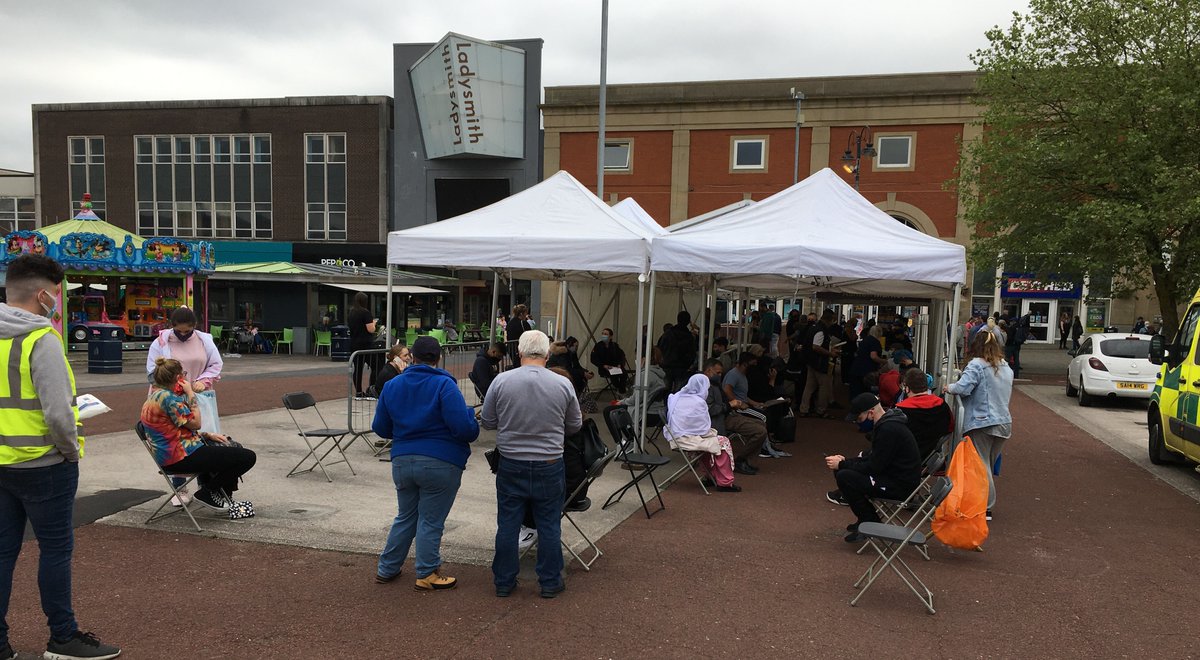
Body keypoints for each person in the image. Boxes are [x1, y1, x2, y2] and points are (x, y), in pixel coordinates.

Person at [0, 254, 121, 660]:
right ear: (42, 294)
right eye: (56, 294)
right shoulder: (41, 340)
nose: (57, 301)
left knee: (2, 553)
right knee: (55, 551)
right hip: (44, 464)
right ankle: (62, 637)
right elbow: (57, 413)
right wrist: (70, 452)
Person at [373, 336, 479, 591]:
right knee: (431, 520)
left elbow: (380, 427)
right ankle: (427, 571)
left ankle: (387, 568)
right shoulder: (444, 385)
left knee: (405, 516)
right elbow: (465, 429)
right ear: (438, 358)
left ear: (413, 357)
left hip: (402, 459)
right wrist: (470, 417)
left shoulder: (393, 385)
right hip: (440, 460)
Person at [482, 330, 582, 599]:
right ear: (548, 354)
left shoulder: (502, 380)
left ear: (519, 352)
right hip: (549, 462)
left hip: (511, 461)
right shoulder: (562, 384)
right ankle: (549, 581)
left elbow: (488, 421)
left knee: (508, 523)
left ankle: (504, 581)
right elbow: (574, 425)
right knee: (549, 524)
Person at [141, 356, 257, 510]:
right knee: (247, 457)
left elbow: (176, 430)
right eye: (184, 374)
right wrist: (190, 394)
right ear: (178, 378)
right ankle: (208, 492)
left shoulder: (154, 396)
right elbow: (196, 423)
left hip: (171, 454)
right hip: (181, 457)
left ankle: (217, 494)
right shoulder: (170, 399)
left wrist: (207, 435)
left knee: (225, 447)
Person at [146, 306, 225, 507]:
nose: (182, 334)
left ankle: (205, 486)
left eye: (187, 331)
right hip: (170, 399)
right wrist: (175, 389)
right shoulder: (161, 342)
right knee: (177, 441)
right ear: (172, 327)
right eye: (179, 331)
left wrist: (203, 381)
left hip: (198, 395)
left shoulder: (204, 340)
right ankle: (180, 487)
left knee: (204, 437)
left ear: (194, 326)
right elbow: (152, 372)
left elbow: (216, 364)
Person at [825, 393, 921, 543]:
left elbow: (874, 466)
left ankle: (870, 521)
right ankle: (866, 519)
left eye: (859, 418)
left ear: (870, 413)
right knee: (844, 473)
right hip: (897, 478)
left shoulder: (888, 429)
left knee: (845, 476)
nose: (858, 422)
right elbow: (874, 459)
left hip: (899, 485)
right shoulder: (889, 424)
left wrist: (843, 464)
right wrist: (846, 461)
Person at [945, 330, 1013, 519]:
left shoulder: (976, 365)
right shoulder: (1006, 367)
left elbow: (963, 388)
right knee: (989, 464)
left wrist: (948, 387)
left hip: (981, 422)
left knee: (981, 464)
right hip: (1004, 422)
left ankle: (986, 506)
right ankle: (982, 502)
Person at [665, 374, 741, 492]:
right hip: (688, 439)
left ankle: (709, 476)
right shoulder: (698, 402)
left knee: (711, 443)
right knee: (723, 442)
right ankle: (725, 482)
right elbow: (703, 428)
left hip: (676, 437)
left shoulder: (677, 397)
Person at [702, 359, 771, 475]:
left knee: (761, 424)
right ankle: (740, 459)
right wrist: (730, 405)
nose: (720, 376)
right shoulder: (706, 386)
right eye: (718, 373)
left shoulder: (713, 383)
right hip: (720, 419)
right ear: (709, 371)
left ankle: (746, 459)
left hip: (727, 414)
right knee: (760, 431)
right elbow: (709, 410)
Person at [896, 368, 954, 459]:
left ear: (907, 388)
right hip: (932, 457)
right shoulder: (942, 405)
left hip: (906, 458)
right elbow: (950, 428)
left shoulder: (900, 410)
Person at [798, 310, 840, 419]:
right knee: (823, 387)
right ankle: (821, 410)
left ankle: (804, 409)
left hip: (811, 361)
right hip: (819, 363)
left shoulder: (813, 327)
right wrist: (830, 353)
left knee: (809, 387)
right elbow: (816, 347)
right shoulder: (821, 330)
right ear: (829, 320)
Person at [617, 347, 667, 423]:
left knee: (610, 411)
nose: (636, 360)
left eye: (637, 357)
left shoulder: (645, 375)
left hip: (647, 412)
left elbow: (635, 399)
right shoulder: (659, 373)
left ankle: (629, 434)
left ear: (644, 359)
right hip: (659, 411)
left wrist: (622, 402)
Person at [347, 292, 378, 397]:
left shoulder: (351, 312)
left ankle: (359, 392)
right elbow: (371, 329)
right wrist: (374, 323)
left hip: (354, 343)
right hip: (366, 344)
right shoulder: (365, 313)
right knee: (376, 366)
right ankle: (372, 389)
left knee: (358, 368)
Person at [660, 311, 699, 391]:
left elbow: (660, 348)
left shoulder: (668, 334)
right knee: (679, 392)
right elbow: (693, 353)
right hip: (682, 368)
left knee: (664, 391)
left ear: (677, 319)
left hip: (667, 366)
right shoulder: (689, 337)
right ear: (688, 322)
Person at [848, 324, 886, 400]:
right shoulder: (875, 342)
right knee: (866, 393)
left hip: (856, 368)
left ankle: (855, 409)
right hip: (867, 370)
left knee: (856, 391)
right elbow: (873, 356)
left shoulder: (865, 340)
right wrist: (884, 361)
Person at [590, 328, 629, 394]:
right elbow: (593, 359)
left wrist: (620, 364)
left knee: (624, 373)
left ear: (610, 336)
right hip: (604, 368)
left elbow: (621, 355)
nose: (603, 335)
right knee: (614, 376)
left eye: (605, 334)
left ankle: (621, 390)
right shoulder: (598, 346)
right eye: (603, 334)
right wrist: (603, 365)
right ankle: (621, 390)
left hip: (615, 367)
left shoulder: (614, 345)